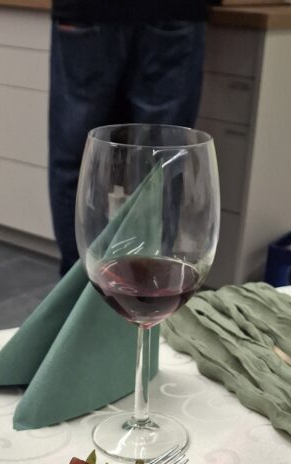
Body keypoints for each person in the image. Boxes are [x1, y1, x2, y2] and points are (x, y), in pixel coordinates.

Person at [49, 1, 212, 275]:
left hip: (87, 11)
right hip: (171, 11)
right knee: (162, 166)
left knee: (78, 164)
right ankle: (147, 283)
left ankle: (86, 287)